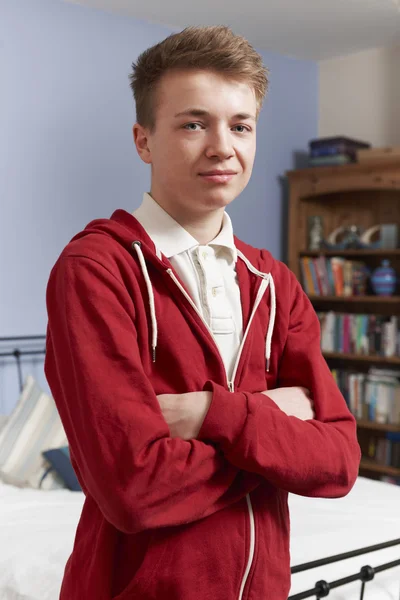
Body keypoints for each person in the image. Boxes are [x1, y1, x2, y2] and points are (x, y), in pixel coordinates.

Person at [45, 25, 361, 600]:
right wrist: (272, 425)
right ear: (143, 141)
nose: (223, 146)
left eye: (241, 125)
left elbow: (338, 462)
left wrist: (208, 414)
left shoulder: (274, 283)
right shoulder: (96, 269)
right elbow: (133, 489)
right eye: (194, 123)